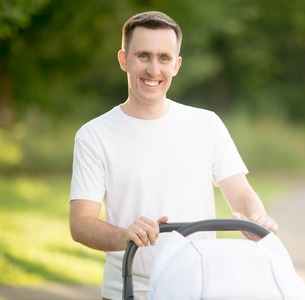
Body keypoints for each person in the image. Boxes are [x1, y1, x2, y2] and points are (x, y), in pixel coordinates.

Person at [69, 11, 278, 300]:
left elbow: (240, 193)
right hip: (128, 291)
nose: (154, 69)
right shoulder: (94, 135)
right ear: (123, 60)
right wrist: (124, 236)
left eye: (164, 58)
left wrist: (256, 216)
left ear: (176, 64)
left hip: (199, 287)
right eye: (143, 56)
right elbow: (80, 224)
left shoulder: (207, 124)